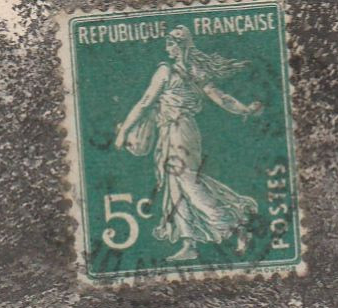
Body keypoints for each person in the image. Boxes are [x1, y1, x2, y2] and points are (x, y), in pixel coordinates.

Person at [113, 25, 263, 263]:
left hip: (180, 132)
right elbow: (221, 98)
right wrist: (243, 109)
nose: (167, 48)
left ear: (180, 45)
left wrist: (123, 132)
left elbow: (144, 103)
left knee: (189, 184)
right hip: (173, 131)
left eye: (171, 43)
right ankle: (188, 244)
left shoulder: (168, 71)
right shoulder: (194, 71)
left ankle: (235, 225)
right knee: (175, 187)